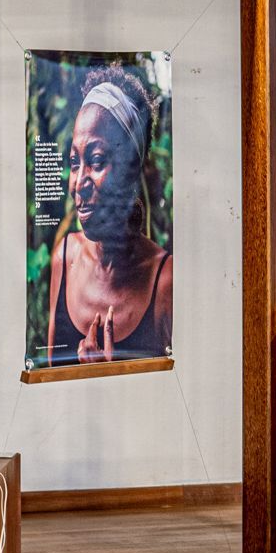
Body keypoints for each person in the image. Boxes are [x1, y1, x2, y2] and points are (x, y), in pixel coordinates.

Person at [44, 64, 173, 368]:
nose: (79, 182)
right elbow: (49, 378)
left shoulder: (164, 281)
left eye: (97, 160)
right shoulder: (65, 258)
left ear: (131, 167)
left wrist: (111, 377)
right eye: (75, 162)